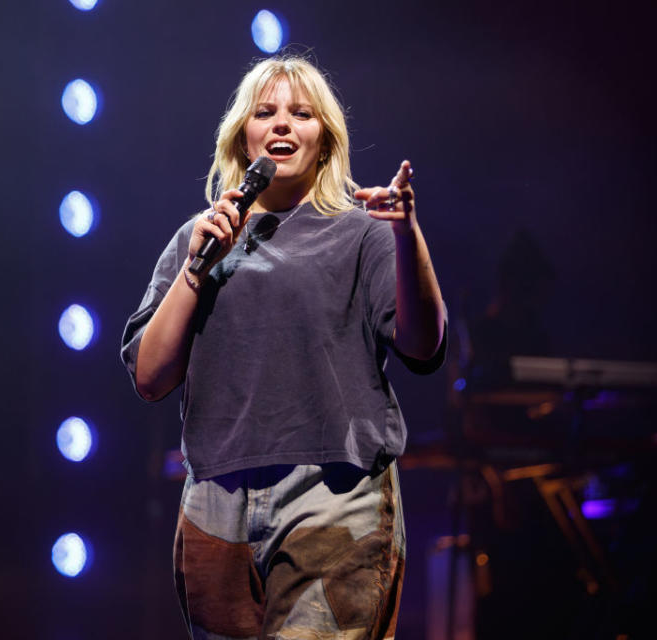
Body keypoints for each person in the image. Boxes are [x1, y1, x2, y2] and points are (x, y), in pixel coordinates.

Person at [121, 55, 445, 640]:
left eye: (301, 114)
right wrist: (196, 273)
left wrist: (406, 234)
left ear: (324, 139)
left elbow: (424, 346)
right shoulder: (201, 235)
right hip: (216, 498)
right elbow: (150, 377)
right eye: (265, 113)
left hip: (331, 493)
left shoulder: (362, 233)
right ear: (242, 138)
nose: (282, 125)